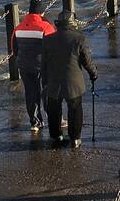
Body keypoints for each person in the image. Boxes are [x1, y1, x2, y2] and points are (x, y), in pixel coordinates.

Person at [41, 10, 98, 148]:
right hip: (73, 83)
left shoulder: (48, 39)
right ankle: (75, 139)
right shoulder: (79, 39)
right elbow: (87, 62)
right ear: (73, 23)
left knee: (54, 110)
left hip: (54, 82)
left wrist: (45, 81)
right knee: (75, 110)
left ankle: (56, 136)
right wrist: (93, 74)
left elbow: (44, 64)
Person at [11, 0, 55, 132]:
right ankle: (54, 119)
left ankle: (35, 122)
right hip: (42, 66)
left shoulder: (18, 28)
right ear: (42, 13)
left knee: (30, 93)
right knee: (47, 92)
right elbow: (53, 48)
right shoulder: (46, 27)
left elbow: (14, 48)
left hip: (24, 66)